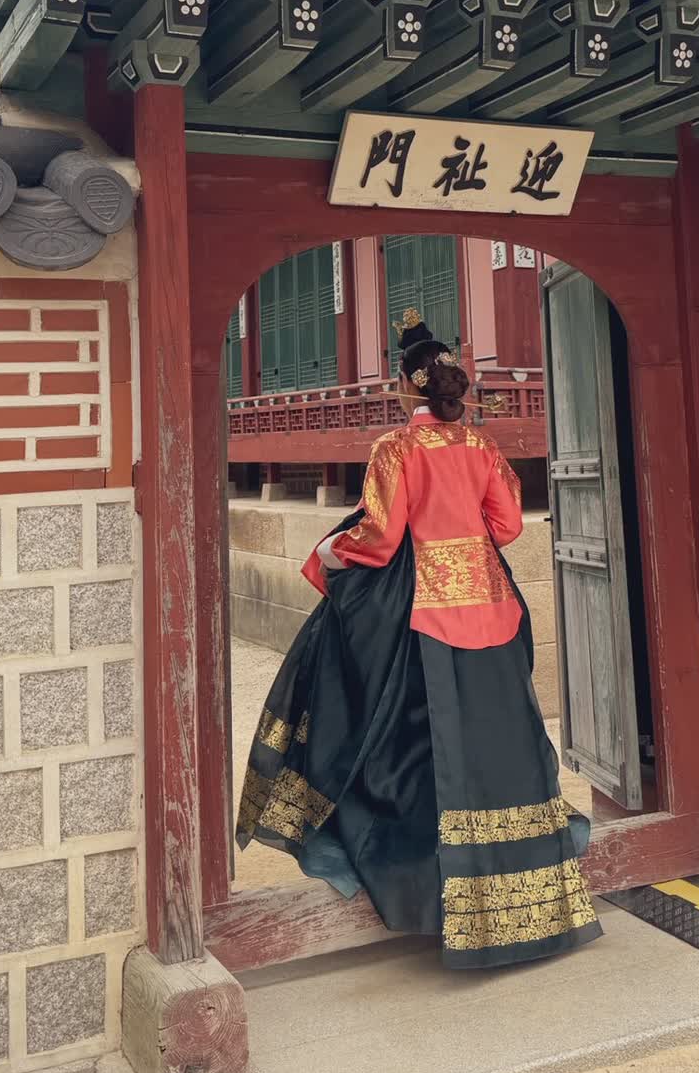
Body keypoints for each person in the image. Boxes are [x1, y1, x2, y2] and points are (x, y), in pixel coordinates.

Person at [236, 311, 600, 969]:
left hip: (426, 613)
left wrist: (330, 551)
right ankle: (530, 892)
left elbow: (379, 538)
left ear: (407, 387)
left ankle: (433, 887)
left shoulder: (396, 449)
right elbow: (507, 527)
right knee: (502, 743)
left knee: (424, 747)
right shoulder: (481, 446)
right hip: (492, 608)